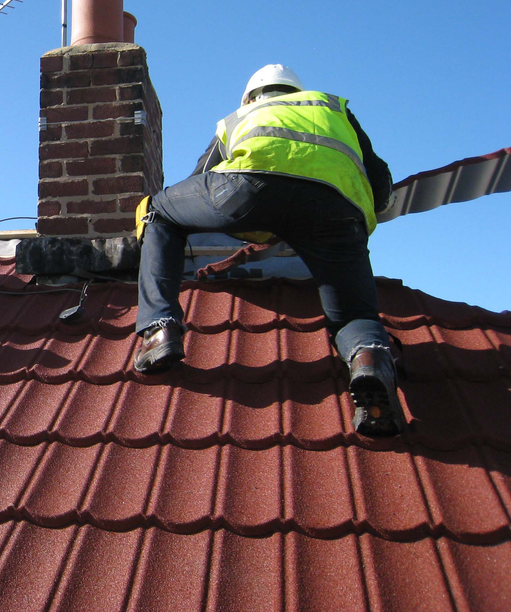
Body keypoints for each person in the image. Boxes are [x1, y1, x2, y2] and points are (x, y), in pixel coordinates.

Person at [134, 64, 402, 436]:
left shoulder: (240, 116)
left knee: (159, 211)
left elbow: (200, 184)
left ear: (250, 97)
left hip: (249, 191)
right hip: (335, 210)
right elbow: (382, 189)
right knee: (356, 313)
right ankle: (370, 361)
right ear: (296, 92)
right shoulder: (332, 108)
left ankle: (159, 330)